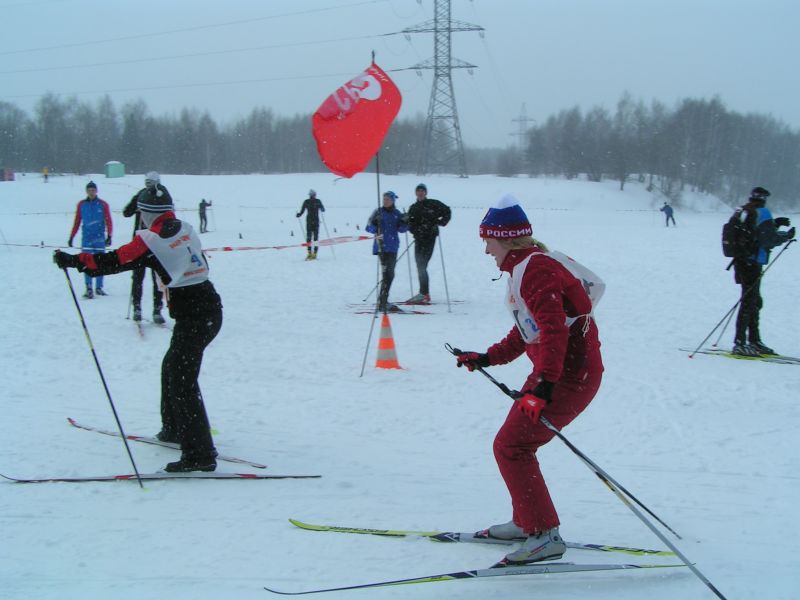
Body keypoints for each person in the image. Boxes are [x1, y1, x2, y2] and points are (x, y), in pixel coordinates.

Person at [454, 195, 603, 565]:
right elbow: (529, 331)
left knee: (513, 446)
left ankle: (543, 535)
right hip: (557, 374)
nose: (486, 249)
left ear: (504, 238)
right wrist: (488, 357)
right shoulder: (528, 267)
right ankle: (527, 523)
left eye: (487, 240)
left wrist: (544, 386)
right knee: (512, 445)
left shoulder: (534, 270)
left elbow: (554, 332)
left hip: (567, 378)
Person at [54, 190, 223, 473]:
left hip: (195, 315)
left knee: (182, 379)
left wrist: (74, 261)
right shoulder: (186, 227)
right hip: (207, 309)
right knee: (172, 368)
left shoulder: (149, 239)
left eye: (142, 214)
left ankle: (200, 454)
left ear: (147, 214)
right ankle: (174, 430)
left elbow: (114, 261)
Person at [730, 186, 795, 356]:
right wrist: (786, 236)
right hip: (753, 262)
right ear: (764, 198)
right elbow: (768, 239)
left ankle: (753, 341)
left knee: (752, 300)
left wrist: (775, 224)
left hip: (741, 261)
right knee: (750, 301)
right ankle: (742, 342)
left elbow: (752, 232)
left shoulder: (743, 210)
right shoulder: (762, 212)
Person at [123, 172, 166, 323]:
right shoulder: (141, 195)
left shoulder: (163, 195)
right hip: (140, 242)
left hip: (156, 241)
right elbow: (126, 212)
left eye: (151, 183)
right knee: (138, 276)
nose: (149, 187)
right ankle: (137, 307)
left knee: (158, 278)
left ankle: (157, 309)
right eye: (147, 183)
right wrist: (137, 203)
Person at [405, 183, 451, 303]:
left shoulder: (433, 203)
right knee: (420, 265)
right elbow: (410, 224)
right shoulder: (413, 208)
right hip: (419, 239)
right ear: (416, 193)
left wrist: (441, 222)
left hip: (430, 238)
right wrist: (415, 230)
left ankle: (424, 293)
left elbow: (447, 211)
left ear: (425, 193)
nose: (420, 193)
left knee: (422, 265)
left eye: (422, 191)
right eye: (418, 191)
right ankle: (424, 293)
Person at [68, 181, 113, 298]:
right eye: (89, 190)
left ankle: (99, 287)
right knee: (86, 261)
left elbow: (109, 220)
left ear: (96, 191)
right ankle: (88, 287)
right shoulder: (81, 204)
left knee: (100, 262)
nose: (91, 193)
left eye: (93, 190)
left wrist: (110, 236)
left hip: (99, 237)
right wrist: (72, 236)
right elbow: (77, 221)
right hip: (87, 237)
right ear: (86, 191)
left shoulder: (103, 204)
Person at [366, 191, 408, 313]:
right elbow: (368, 227)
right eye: (384, 199)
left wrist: (405, 221)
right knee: (387, 274)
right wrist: (375, 224)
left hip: (393, 247)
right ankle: (382, 302)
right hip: (381, 247)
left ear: (393, 201)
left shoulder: (396, 213)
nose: (385, 201)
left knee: (390, 274)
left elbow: (402, 230)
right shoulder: (378, 212)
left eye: (388, 199)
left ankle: (383, 300)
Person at [296, 189, 325, 260]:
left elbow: (323, 209)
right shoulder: (311, 201)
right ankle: (311, 253)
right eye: (312, 195)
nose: (313, 196)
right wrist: (299, 214)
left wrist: (299, 214)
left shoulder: (312, 201)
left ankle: (312, 253)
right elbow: (302, 211)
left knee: (312, 238)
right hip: (312, 221)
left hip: (312, 221)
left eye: (313, 195)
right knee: (312, 238)